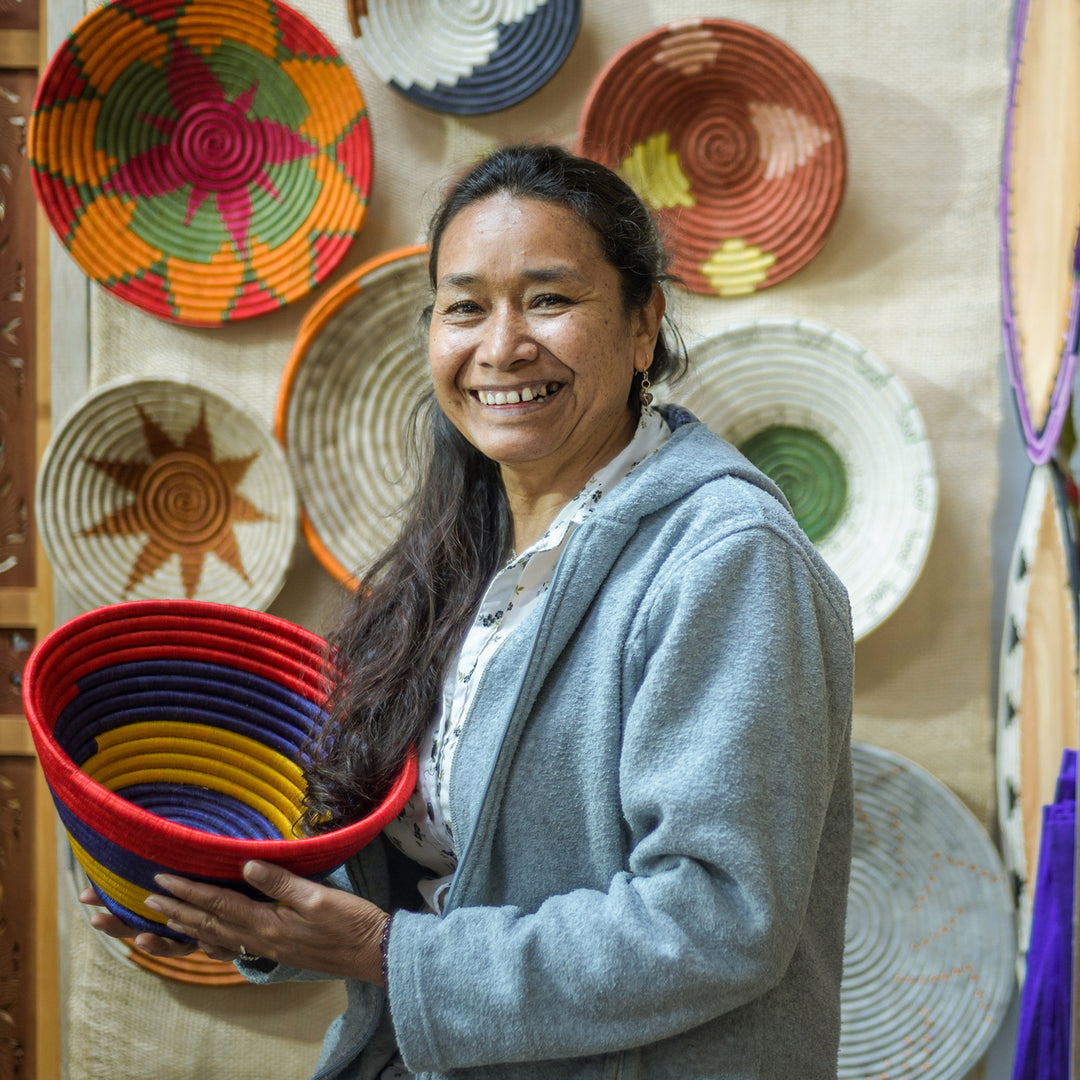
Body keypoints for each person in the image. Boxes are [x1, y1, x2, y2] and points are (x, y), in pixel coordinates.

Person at [82, 142, 855, 1079]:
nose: (501, 346)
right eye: (464, 307)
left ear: (644, 324)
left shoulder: (728, 560)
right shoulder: (465, 555)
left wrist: (383, 954)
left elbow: (720, 916)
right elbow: (443, 875)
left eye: (549, 299)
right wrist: (229, 903)